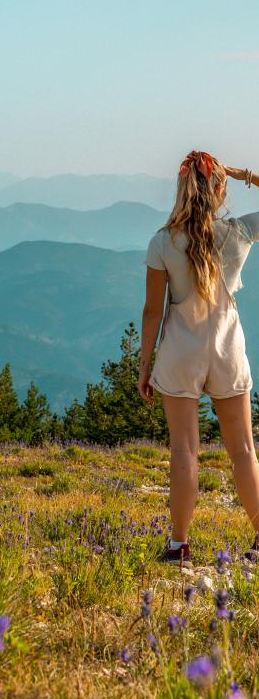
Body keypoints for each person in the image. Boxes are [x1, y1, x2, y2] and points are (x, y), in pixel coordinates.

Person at [139, 150, 259, 565]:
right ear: (220, 189)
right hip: (228, 347)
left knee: (185, 451)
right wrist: (246, 175)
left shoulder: (162, 242)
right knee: (243, 448)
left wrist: (144, 367)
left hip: (180, 350)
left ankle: (178, 546)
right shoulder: (239, 233)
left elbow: (153, 310)